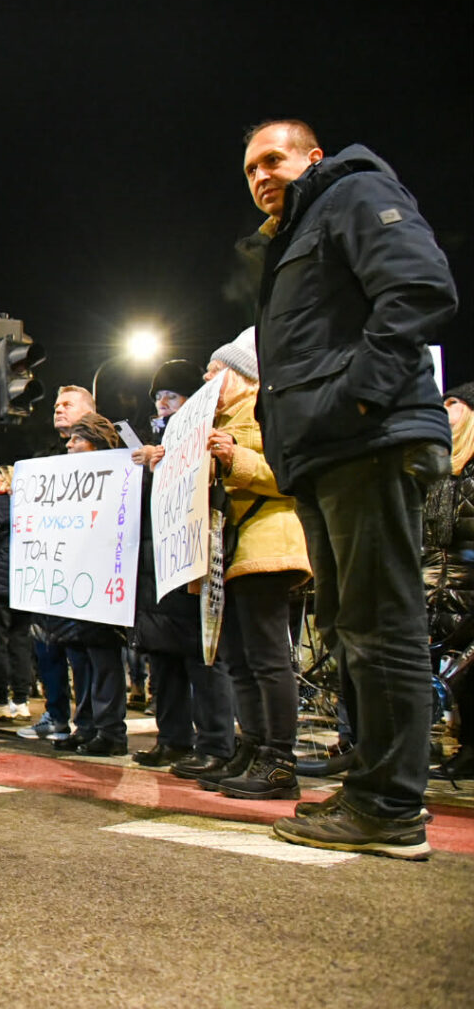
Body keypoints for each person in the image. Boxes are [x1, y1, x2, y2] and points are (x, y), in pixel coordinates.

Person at [240, 120, 454, 859]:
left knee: (381, 623)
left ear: (313, 158)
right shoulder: (296, 233)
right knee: (352, 624)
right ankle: (371, 790)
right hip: (331, 451)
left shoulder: (353, 193)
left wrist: (359, 400)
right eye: (249, 169)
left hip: (369, 439)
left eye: (274, 159)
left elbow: (420, 290)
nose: (262, 174)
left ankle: (391, 807)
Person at [195, 330, 313, 798]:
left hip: (267, 545)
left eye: (214, 369)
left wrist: (234, 457)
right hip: (232, 551)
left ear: (243, 376)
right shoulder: (216, 419)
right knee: (239, 659)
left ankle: (280, 758)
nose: (205, 377)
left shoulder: (268, 414)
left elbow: (290, 476)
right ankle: (254, 745)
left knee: (267, 658)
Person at [128, 360, 237, 772]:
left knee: (202, 657)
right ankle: (172, 738)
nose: (162, 404)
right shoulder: (150, 447)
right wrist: (145, 470)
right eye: (158, 396)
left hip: (191, 562)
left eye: (171, 395)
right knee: (163, 656)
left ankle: (215, 744)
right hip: (156, 568)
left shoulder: (208, 436)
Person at [17, 385, 98, 742]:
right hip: (49, 568)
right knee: (46, 646)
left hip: (83, 569)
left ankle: (87, 720)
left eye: (67, 404)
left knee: (80, 653)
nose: (58, 409)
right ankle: (56, 714)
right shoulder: (46, 455)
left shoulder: (105, 454)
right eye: (56, 404)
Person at [46, 413, 129, 756]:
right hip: (79, 580)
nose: (68, 445)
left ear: (95, 443)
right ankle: (88, 725)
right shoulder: (73, 477)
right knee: (82, 658)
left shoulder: (117, 476)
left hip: (104, 580)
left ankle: (111, 731)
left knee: (103, 657)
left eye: (76, 440)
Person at [424, 384, 474, 780]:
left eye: (452, 403)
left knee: (467, 675)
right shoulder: (439, 468)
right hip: (435, 579)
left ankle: (469, 747)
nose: (444, 409)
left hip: (466, 579)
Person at [0, 465, 35, 723]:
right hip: (25, 581)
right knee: (20, 640)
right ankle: (21, 700)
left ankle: (0, 698)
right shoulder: (28, 504)